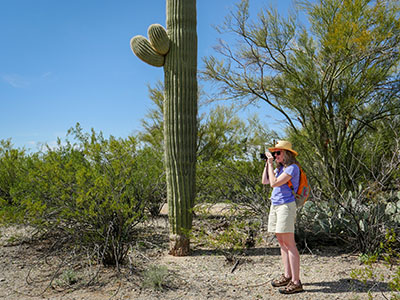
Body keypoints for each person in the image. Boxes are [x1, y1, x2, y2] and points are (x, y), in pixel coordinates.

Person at [262, 140, 304, 294]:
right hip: (276, 206)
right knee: (282, 242)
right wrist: (268, 164)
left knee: (289, 243)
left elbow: (274, 184)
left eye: (278, 153)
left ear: (286, 154)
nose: (276, 155)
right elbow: (265, 181)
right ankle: (287, 275)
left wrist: (272, 164)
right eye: (274, 153)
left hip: (286, 206)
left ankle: (296, 281)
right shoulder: (281, 169)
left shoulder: (292, 168)